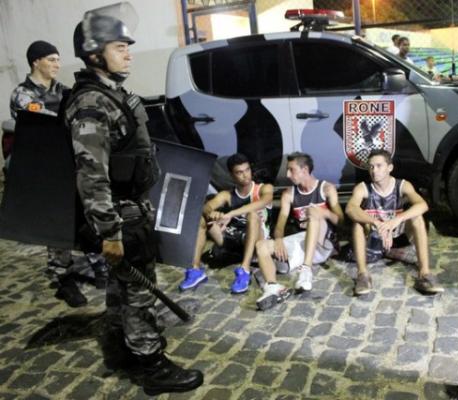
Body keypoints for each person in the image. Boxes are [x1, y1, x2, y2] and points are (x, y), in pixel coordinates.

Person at [64, 11, 203, 395]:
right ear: (94, 54)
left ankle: (121, 347)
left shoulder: (112, 95)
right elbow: (91, 175)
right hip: (121, 217)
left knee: (121, 290)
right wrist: (109, 232)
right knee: (139, 294)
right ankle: (152, 365)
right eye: (119, 48)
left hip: (132, 210)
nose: (129, 55)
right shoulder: (92, 103)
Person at [9, 40, 107, 308]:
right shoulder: (23, 95)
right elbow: (47, 121)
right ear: (36, 61)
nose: (57, 64)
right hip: (46, 169)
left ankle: (100, 265)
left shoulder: (64, 90)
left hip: (71, 163)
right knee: (57, 221)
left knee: (88, 215)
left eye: (58, 59)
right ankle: (62, 277)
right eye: (51, 59)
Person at [345, 149, 443, 296]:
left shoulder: (402, 185)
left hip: (397, 232)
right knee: (357, 223)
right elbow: (350, 209)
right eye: (371, 166)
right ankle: (363, 275)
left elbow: (422, 205)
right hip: (374, 234)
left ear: (389, 168)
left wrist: (396, 220)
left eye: (379, 166)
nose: (374, 170)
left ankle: (424, 274)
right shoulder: (363, 188)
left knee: (417, 218)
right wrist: (377, 223)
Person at [254, 152, 344, 311]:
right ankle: (273, 286)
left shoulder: (326, 188)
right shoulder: (289, 194)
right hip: (301, 244)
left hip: (322, 243)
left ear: (305, 170)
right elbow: (281, 222)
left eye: (291, 170)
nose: (288, 175)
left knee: (314, 213)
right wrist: (279, 239)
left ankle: (306, 271)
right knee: (262, 245)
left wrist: (326, 213)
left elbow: (341, 221)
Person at [180, 153, 273, 293]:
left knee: (253, 216)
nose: (245, 175)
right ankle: (195, 270)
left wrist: (230, 214)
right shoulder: (227, 195)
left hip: (257, 239)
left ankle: (244, 271)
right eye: (239, 172)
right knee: (202, 218)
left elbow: (262, 203)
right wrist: (211, 213)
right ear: (232, 175)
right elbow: (207, 206)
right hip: (232, 239)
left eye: (247, 170)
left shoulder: (264, 189)